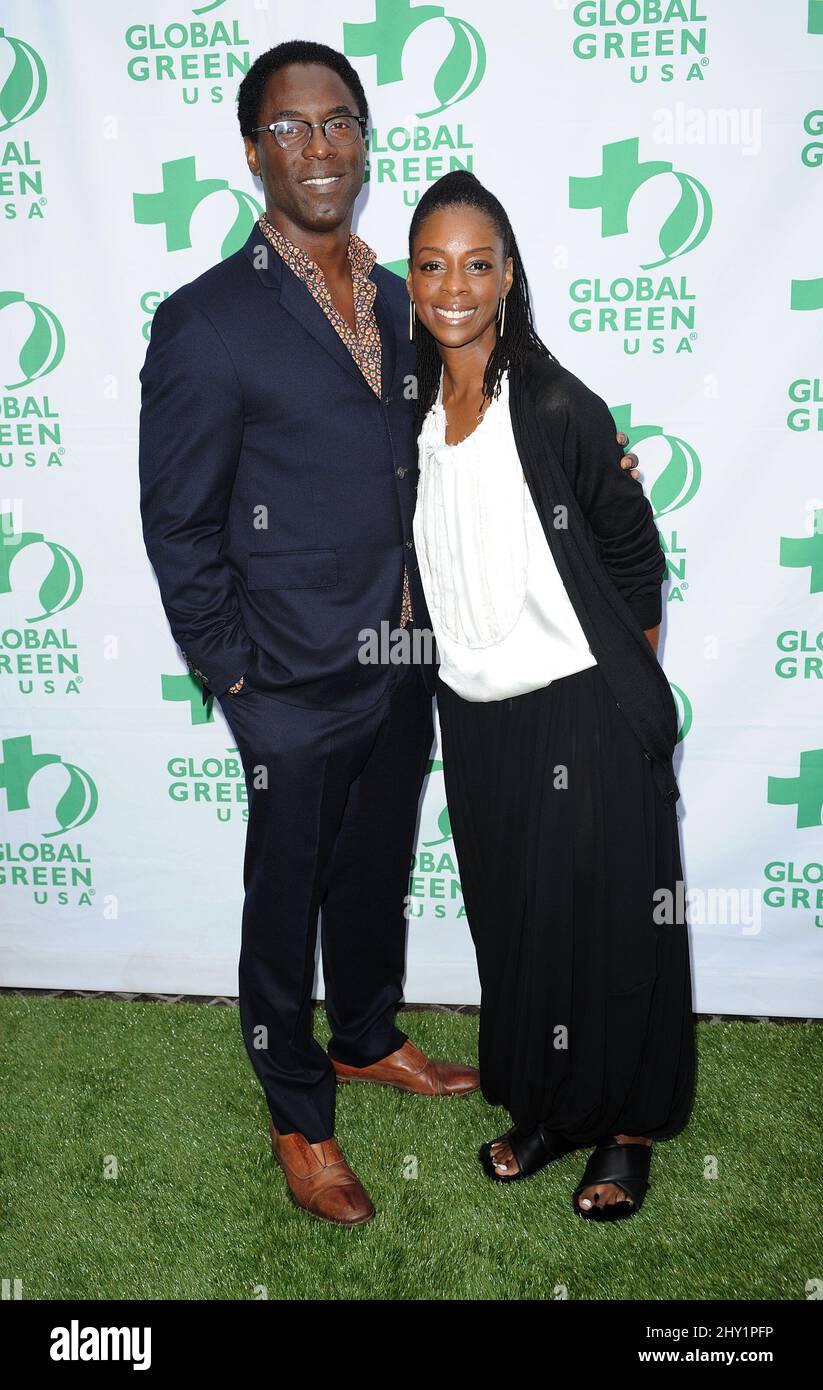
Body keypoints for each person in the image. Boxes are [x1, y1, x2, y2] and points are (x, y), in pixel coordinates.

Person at [138, 40, 641, 1228]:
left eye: (339, 124)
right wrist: (235, 672)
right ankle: (300, 1115)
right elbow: (178, 522)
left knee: (372, 879)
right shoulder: (206, 323)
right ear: (252, 148)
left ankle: (365, 1035)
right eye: (290, 128)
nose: (319, 148)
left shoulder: (397, 294)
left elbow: (484, 406)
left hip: (409, 660)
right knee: (286, 899)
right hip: (288, 682)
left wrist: (591, 464)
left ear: (366, 141)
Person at [407, 170, 697, 1221]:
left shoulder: (560, 402)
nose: (454, 285)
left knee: (613, 924)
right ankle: (549, 1108)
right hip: (477, 714)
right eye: (432, 264)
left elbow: (631, 554)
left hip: (582, 700)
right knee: (520, 921)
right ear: (410, 276)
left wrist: (629, 690)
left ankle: (623, 1133)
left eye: (477, 263)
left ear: (508, 274)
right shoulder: (411, 408)